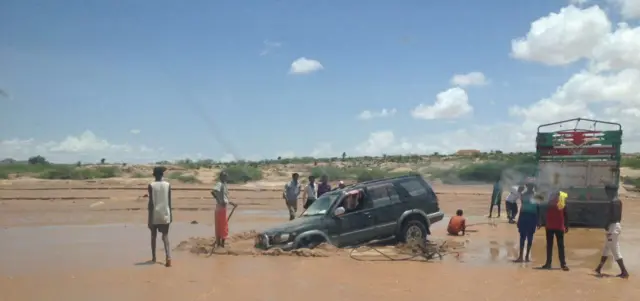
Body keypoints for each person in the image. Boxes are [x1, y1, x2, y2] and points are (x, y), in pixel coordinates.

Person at [595, 184, 629, 278]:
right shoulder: (619, 202)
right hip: (616, 226)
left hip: (612, 227)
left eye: (607, 192)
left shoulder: (612, 203)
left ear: (610, 192)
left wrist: (606, 224)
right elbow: (619, 216)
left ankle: (624, 271)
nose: (606, 194)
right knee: (606, 248)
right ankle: (599, 268)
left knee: (615, 250)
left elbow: (612, 216)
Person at [147, 166, 172, 267]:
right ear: (162, 175)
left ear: (154, 175)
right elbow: (169, 202)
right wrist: (171, 216)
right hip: (165, 213)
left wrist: (149, 219)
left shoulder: (151, 185)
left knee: (153, 236)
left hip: (154, 214)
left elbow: (151, 203)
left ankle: (154, 258)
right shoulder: (168, 185)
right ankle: (168, 256)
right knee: (165, 236)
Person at [540, 188, 570, 271]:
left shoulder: (555, 199)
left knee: (555, 246)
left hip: (555, 226)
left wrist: (566, 225)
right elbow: (565, 212)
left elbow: (565, 212)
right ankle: (559, 264)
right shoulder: (554, 199)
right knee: (556, 246)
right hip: (553, 226)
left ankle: (553, 263)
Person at [514, 182, 539, 263]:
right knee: (522, 236)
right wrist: (519, 219)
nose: (529, 188)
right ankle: (521, 256)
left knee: (529, 237)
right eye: (528, 186)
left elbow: (539, 209)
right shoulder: (523, 195)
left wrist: (539, 220)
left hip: (532, 216)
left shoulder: (537, 196)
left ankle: (527, 256)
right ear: (527, 186)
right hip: (524, 215)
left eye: (531, 186)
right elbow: (522, 206)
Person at [212, 171, 236, 248]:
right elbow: (213, 192)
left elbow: (225, 198)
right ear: (221, 177)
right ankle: (221, 245)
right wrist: (219, 201)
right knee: (223, 227)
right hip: (220, 208)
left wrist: (232, 203)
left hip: (222, 208)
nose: (226, 178)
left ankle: (220, 244)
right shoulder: (219, 184)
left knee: (221, 227)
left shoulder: (224, 185)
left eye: (226, 176)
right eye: (224, 176)